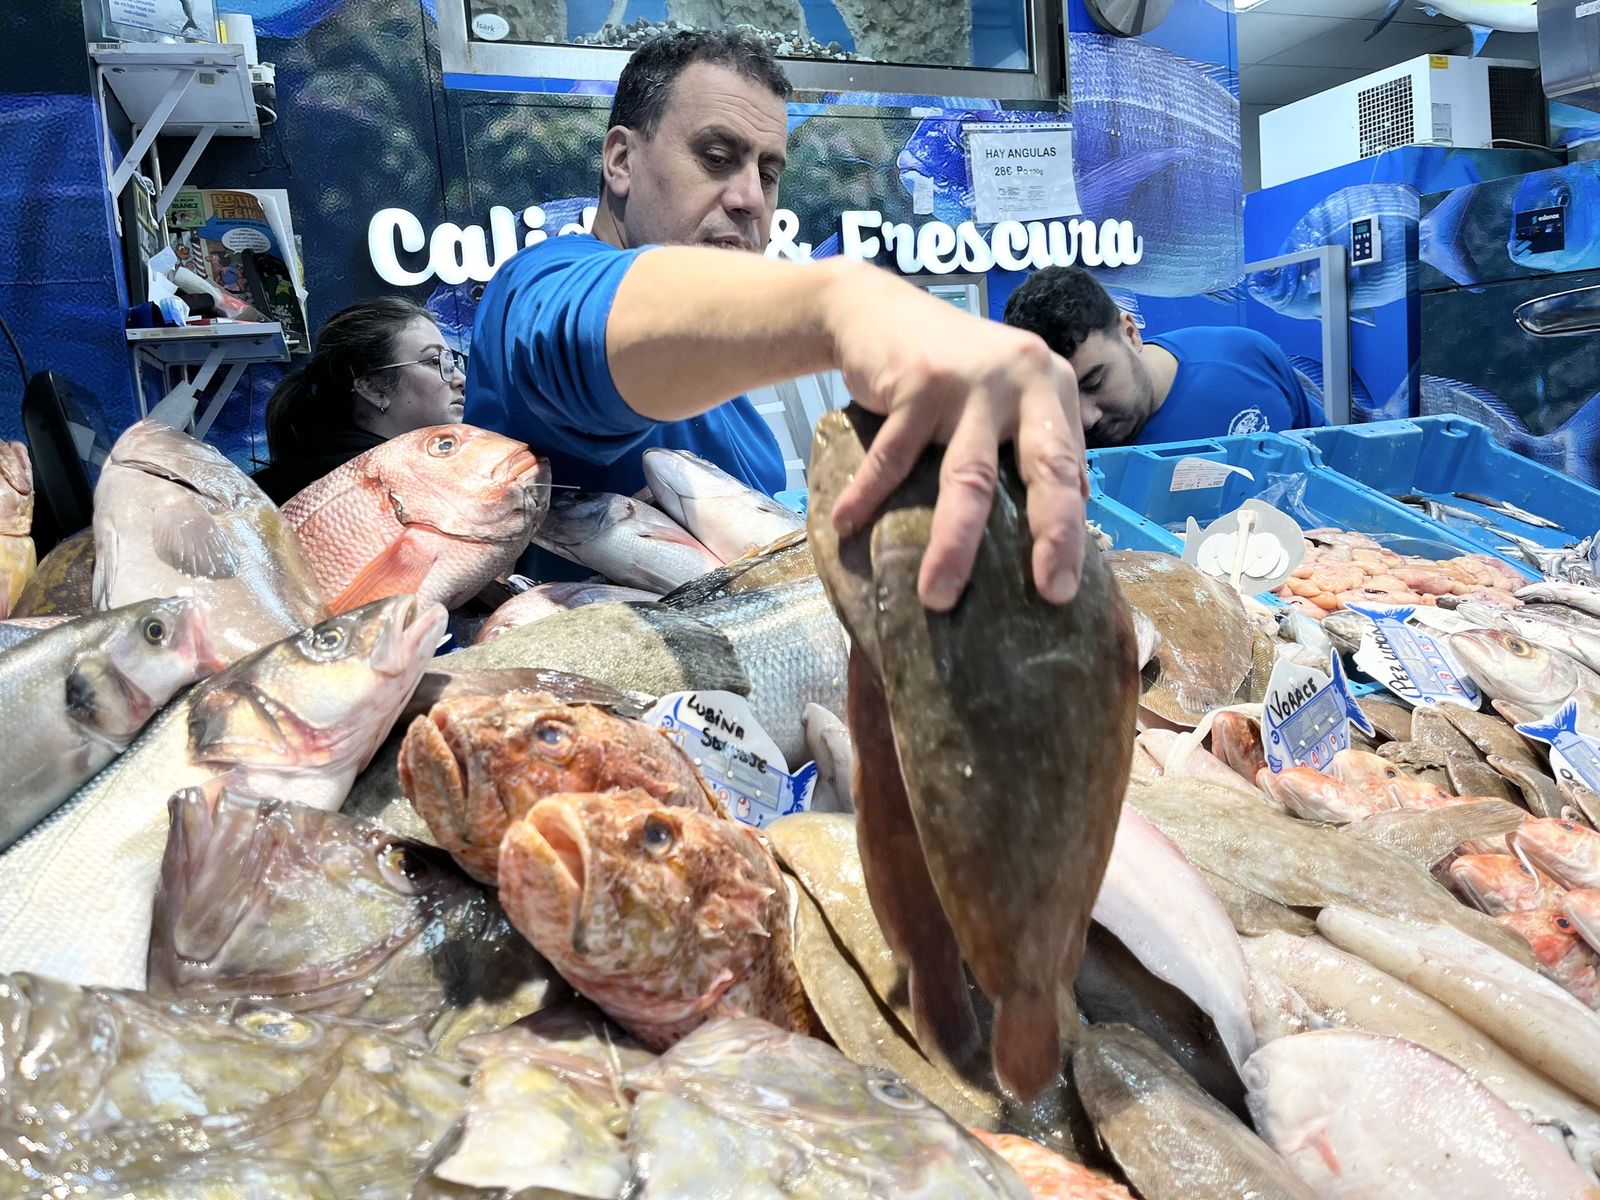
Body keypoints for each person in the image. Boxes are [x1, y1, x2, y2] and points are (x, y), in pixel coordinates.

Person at [466, 29, 1087, 613]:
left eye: (767, 173)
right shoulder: (537, 281)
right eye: (715, 158)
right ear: (621, 161)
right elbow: (574, 330)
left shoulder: (724, 384)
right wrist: (842, 304)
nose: (750, 200)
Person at [1003, 266, 1324, 449]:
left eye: (1095, 381)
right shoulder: (1047, 445)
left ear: (1130, 333)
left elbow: (1331, 462)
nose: (1087, 418)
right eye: (1063, 397)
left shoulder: (1246, 360)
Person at [252, 298, 467, 504]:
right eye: (434, 361)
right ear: (373, 389)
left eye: (452, 362)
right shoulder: (385, 489)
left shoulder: (289, 477)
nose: (460, 379)